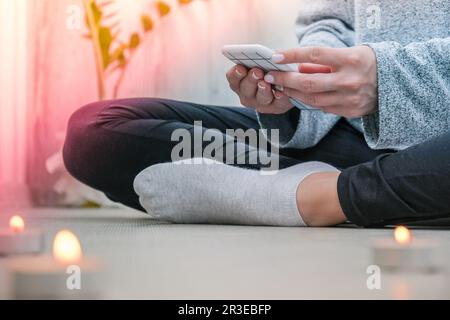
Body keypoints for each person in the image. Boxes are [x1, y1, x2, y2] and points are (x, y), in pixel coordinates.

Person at [63, 0, 450, 227]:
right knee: (96, 132)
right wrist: (300, 94)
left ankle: (319, 200)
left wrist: (386, 82)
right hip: (351, 143)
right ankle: (319, 187)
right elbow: (332, 24)